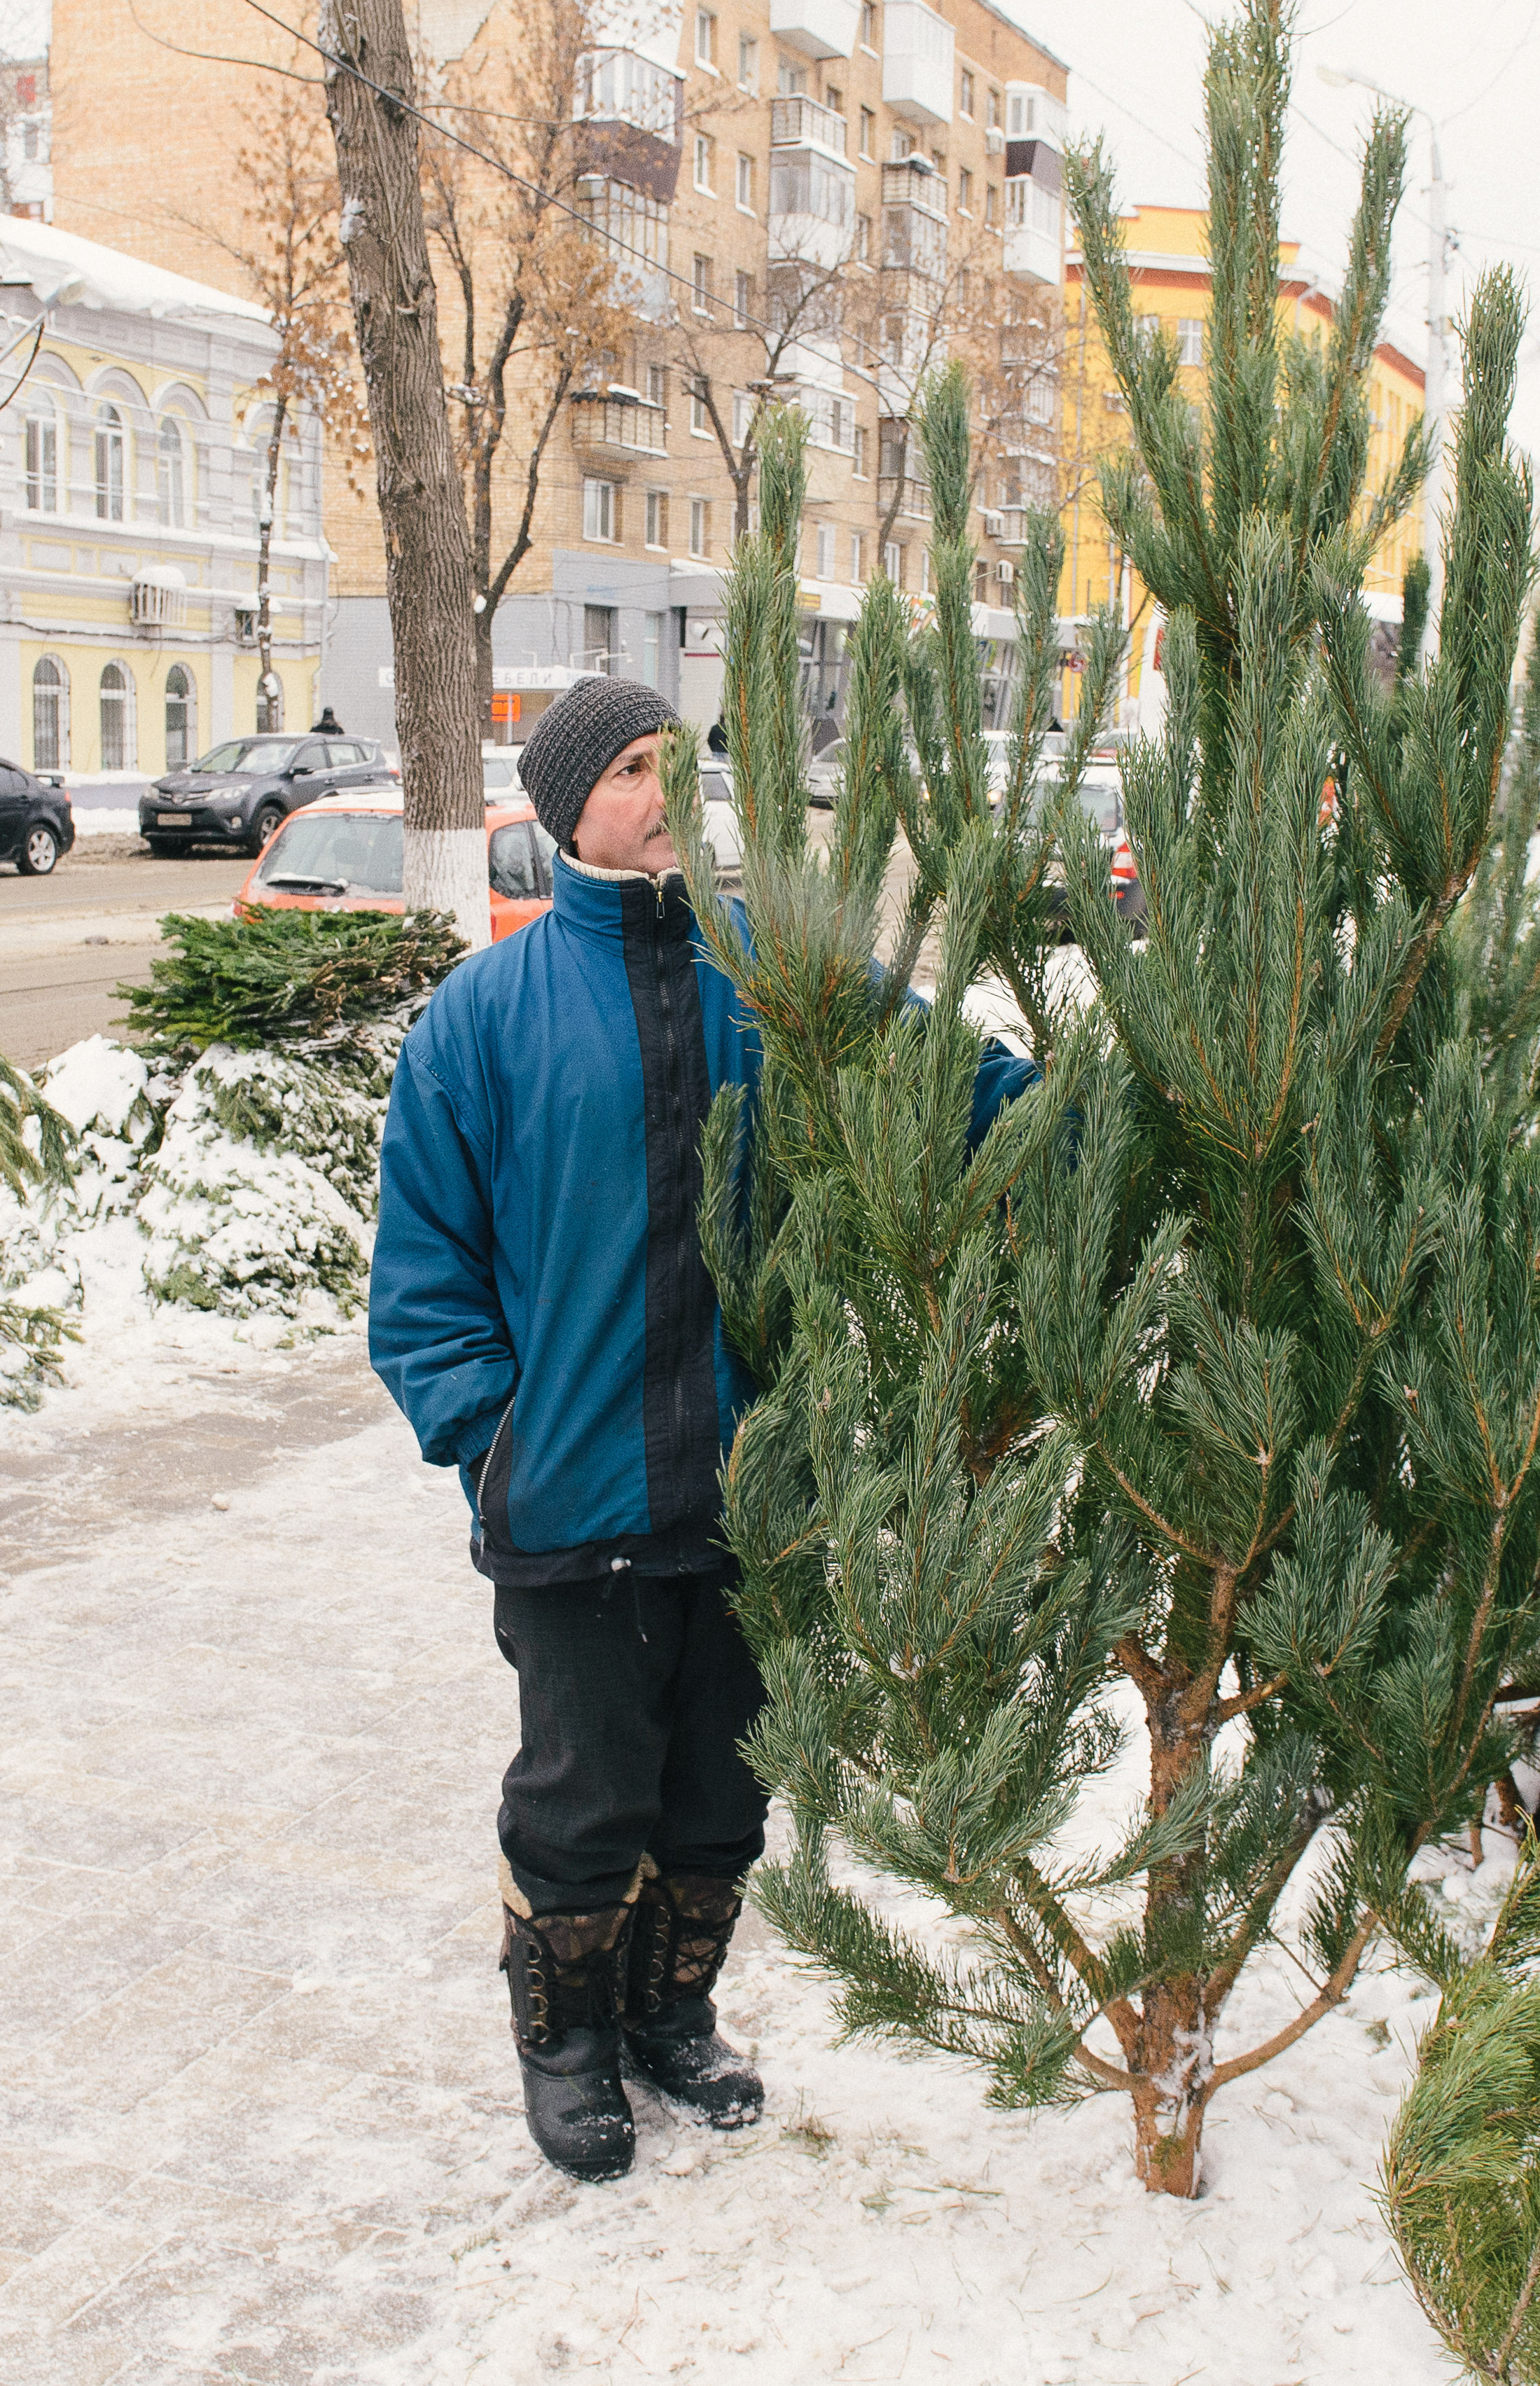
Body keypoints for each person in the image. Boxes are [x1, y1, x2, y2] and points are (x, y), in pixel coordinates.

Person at [371, 674, 1031, 2182]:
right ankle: (568, 2043)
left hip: (756, 1495)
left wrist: (1092, 1114)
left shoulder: (775, 975)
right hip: (575, 1502)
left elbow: (959, 1084)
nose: (671, 791)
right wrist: (496, 1441)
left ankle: (673, 2016)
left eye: (682, 762)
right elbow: (423, 1286)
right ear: (565, 805)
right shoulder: (485, 1020)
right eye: (637, 767)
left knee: (721, 1791)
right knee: (584, 1796)